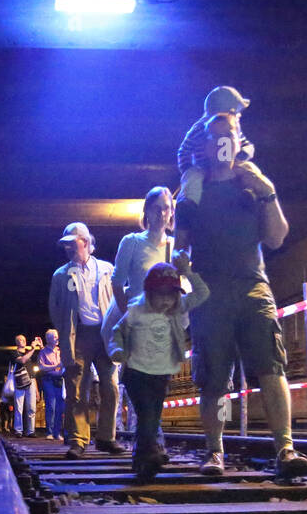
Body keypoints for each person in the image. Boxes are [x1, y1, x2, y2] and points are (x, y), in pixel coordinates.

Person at [174, 113, 307, 478]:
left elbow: (276, 237)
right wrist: (181, 269)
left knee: (270, 366)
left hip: (252, 287)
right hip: (210, 293)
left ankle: (285, 448)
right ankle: (215, 452)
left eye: (229, 136)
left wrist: (268, 192)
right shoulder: (194, 192)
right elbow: (180, 246)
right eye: (215, 137)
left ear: (238, 142)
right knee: (215, 378)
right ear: (205, 146)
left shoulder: (253, 186)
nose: (222, 143)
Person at [109, 256, 211, 480]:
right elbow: (117, 331)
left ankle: (140, 456)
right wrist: (117, 349)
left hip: (161, 374)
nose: (166, 301)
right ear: (148, 292)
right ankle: (148, 457)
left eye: (171, 295)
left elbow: (202, 293)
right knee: (146, 414)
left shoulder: (176, 309)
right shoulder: (136, 311)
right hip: (136, 373)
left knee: (153, 417)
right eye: (160, 294)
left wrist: (187, 272)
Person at [106, 186, 177, 460]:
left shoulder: (174, 247)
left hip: (162, 326)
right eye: (156, 208)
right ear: (147, 211)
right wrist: (128, 318)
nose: (162, 213)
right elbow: (117, 282)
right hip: (137, 323)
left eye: (166, 208)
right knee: (139, 383)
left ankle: (147, 445)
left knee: (158, 385)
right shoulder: (132, 242)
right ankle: (151, 444)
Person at [48, 222, 126, 458]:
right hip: (79, 336)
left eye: (72, 244)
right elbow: (55, 308)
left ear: (86, 242)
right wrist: (65, 332)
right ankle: (79, 439)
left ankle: (106, 438)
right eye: (66, 246)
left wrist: (120, 330)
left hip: (105, 333)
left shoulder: (107, 269)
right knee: (76, 388)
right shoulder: (61, 275)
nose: (68, 249)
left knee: (111, 387)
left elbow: (119, 299)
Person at [176, 86, 259, 207]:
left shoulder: (234, 128)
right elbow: (184, 151)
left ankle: (251, 195)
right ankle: (190, 205)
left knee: (251, 169)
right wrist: (187, 169)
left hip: (231, 167)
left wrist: (243, 154)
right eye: (236, 112)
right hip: (202, 168)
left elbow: (247, 145)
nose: (239, 115)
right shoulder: (199, 128)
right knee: (193, 179)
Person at [37, 328, 66, 440]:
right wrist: (56, 366)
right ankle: (49, 432)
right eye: (54, 337)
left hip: (60, 380)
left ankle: (57, 432)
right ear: (48, 339)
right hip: (48, 380)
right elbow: (41, 367)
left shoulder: (60, 351)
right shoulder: (43, 352)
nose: (57, 338)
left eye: (57, 336)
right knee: (51, 406)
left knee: (60, 407)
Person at [10, 334, 40, 437]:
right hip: (19, 382)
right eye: (20, 339)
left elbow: (32, 374)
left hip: (30, 382)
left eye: (24, 339)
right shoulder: (14, 353)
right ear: (16, 342)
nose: (23, 341)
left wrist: (36, 390)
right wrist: (33, 349)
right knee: (19, 407)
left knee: (32, 407)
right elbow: (22, 360)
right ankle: (18, 430)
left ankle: (31, 431)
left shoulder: (28, 354)